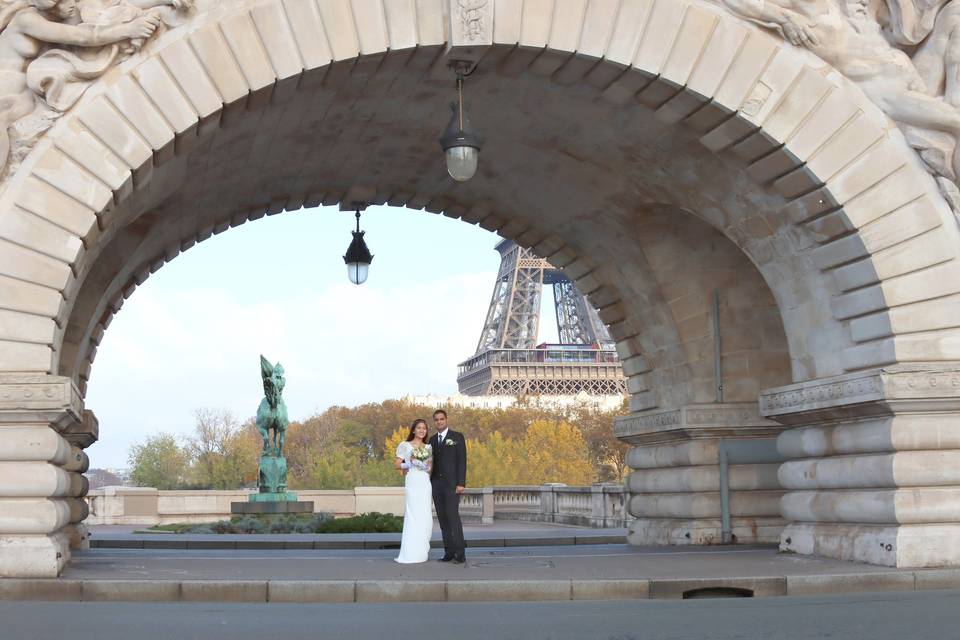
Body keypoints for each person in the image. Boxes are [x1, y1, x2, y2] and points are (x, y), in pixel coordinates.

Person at [393, 418, 433, 564]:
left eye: (424, 428)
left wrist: (424, 466)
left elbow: (430, 469)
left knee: (425, 516)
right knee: (412, 515)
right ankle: (410, 552)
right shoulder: (405, 445)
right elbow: (397, 465)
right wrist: (410, 462)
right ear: (414, 430)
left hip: (424, 482)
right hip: (412, 481)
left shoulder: (428, 447)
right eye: (419, 428)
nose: (422, 430)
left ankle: (421, 551)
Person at [430, 409, 467, 564]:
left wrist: (460, 483)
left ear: (446, 420)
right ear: (434, 422)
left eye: (442, 419)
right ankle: (449, 552)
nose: (439, 422)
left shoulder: (457, 437)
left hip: (452, 485)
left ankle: (460, 553)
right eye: (436, 420)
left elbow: (462, 461)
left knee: (453, 518)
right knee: (443, 520)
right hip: (436, 485)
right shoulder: (431, 440)